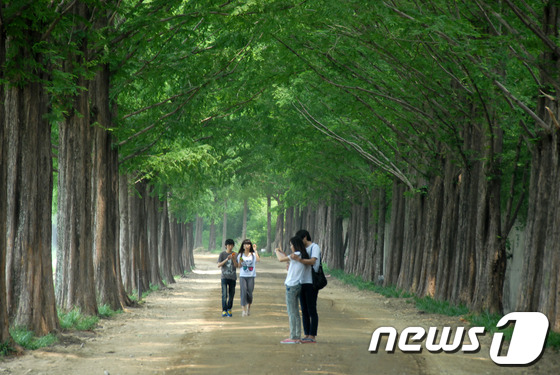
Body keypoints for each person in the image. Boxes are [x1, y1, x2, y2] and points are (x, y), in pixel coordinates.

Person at [275, 236, 309, 344]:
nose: (291, 247)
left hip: (291, 286)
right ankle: (297, 336)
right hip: (298, 285)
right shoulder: (301, 255)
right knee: (295, 313)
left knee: (292, 312)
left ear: (295, 245)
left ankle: (293, 337)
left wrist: (276, 251)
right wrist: (283, 253)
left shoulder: (296, 255)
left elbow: (280, 259)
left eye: (291, 245)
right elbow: (287, 258)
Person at [291, 229, 321, 343]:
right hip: (301, 281)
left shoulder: (314, 247)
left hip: (311, 282)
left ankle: (312, 335)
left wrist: (299, 259)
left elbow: (313, 261)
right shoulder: (301, 250)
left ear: (305, 237)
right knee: (304, 310)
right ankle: (307, 334)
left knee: (311, 309)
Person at [237, 239, 260, 316]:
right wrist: (240, 261)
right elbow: (239, 266)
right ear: (243, 246)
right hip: (243, 276)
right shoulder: (240, 255)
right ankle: (243, 310)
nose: (246, 246)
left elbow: (258, 260)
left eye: (248, 244)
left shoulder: (253, 255)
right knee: (243, 292)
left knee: (250, 293)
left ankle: (248, 308)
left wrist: (255, 251)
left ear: (250, 245)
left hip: (251, 276)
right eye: (245, 244)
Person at [217, 239, 238, 317]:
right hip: (224, 277)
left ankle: (229, 309)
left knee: (231, 294)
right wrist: (226, 259)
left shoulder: (236, 254)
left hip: (232, 277)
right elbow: (219, 265)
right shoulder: (222, 254)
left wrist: (233, 259)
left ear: (233, 246)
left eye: (231, 245)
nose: (230, 247)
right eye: (228, 245)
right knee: (224, 294)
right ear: (226, 246)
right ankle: (224, 310)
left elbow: (237, 266)